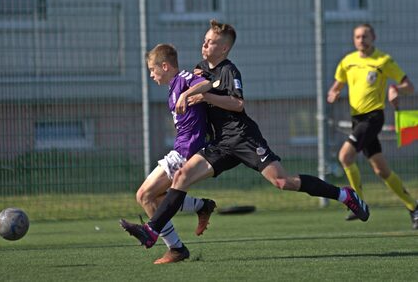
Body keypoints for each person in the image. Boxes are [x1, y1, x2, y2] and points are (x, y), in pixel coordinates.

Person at [120, 20, 370, 249]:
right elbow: (193, 84)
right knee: (182, 176)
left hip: (242, 137)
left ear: (224, 49)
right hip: (220, 143)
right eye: (205, 40)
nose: (204, 44)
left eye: (211, 42)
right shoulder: (198, 70)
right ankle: (152, 231)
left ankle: (344, 194)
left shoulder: (229, 70)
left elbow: (238, 104)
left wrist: (204, 95)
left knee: (283, 182)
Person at [120, 44, 216, 264]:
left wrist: (187, 95)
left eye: (153, 70)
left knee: (144, 195)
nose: (152, 75)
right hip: (181, 149)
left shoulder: (183, 78)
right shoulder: (173, 86)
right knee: (157, 197)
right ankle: (201, 206)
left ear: (165, 66)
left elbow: (207, 84)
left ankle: (176, 248)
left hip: (187, 150)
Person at [327, 23, 418, 229]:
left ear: (373, 37)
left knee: (345, 156)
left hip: (373, 117)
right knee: (381, 170)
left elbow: (409, 86)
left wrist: (395, 88)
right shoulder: (347, 62)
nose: (361, 40)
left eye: (365, 36)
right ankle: (414, 207)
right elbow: (337, 84)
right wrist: (334, 92)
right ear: (354, 40)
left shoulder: (383, 61)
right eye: (358, 37)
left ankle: (356, 202)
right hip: (357, 120)